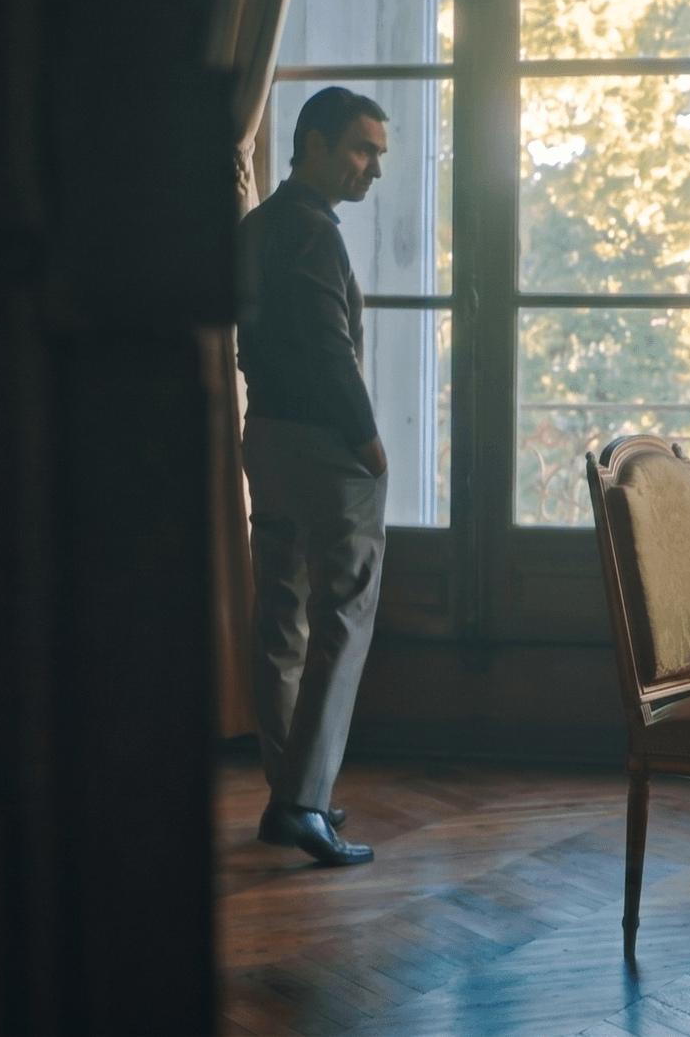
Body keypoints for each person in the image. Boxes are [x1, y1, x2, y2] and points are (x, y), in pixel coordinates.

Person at [237, 86, 391, 866]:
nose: (373, 169)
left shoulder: (257, 224)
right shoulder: (315, 238)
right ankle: (302, 801)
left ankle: (288, 792)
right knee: (342, 619)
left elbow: (246, 339)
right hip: (328, 451)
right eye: (363, 149)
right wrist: (370, 443)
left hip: (263, 435)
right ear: (316, 144)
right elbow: (333, 353)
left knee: (281, 619)